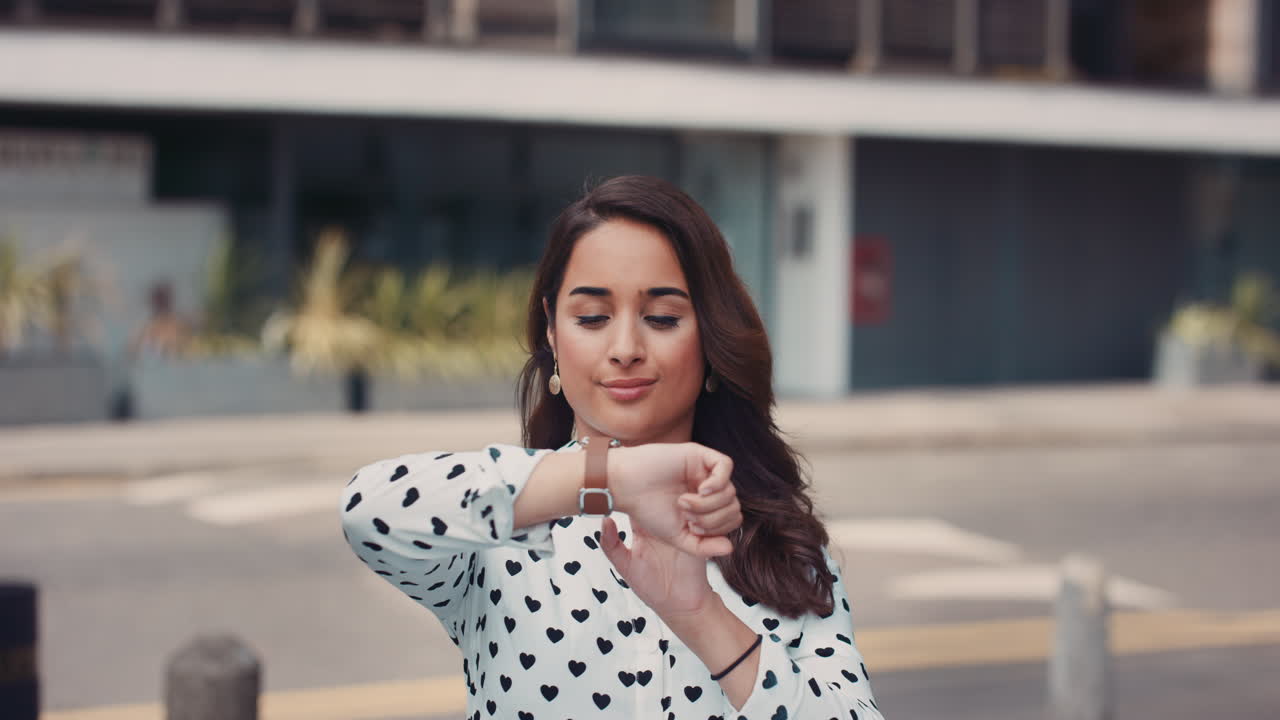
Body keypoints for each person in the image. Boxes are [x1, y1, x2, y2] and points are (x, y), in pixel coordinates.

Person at [340, 175, 884, 718]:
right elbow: (369, 511)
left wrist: (702, 616)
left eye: (663, 318)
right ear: (552, 332)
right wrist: (610, 478)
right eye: (593, 317)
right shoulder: (502, 530)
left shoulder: (778, 548)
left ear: (711, 338)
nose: (626, 349)